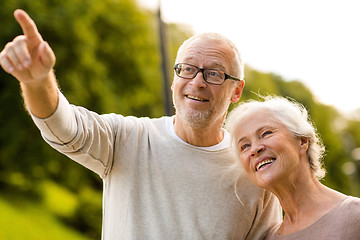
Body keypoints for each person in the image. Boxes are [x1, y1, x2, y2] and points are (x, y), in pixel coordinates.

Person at [0, 9, 282, 240]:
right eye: (187, 69)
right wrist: (37, 81)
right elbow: (63, 125)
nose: (197, 82)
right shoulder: (128, 138)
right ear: (174, 78)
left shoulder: (255, 173)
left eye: (214, 73)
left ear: (236, 91)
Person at [225, 95, 360, 240]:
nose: (255, 149)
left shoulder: (354, 215)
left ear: (302, 141)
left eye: (266, 133)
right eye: (245, 146)